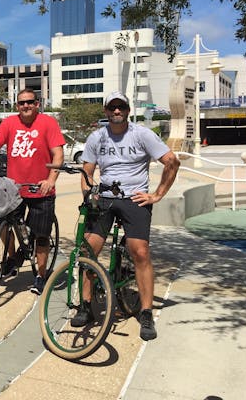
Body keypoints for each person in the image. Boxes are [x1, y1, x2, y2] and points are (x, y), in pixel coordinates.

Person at [72, 91, 180, 341]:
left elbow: (171, 162)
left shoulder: (142, 134)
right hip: (106, 198)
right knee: (88, 251)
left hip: (134, 198)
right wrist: (89, 196)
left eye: (121, 107)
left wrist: (157, 195)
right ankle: (86, 306)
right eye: (112, 107)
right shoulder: (97, 137)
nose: (117, 111)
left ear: (128, 111)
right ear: (106, 111)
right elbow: (87, 171)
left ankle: (145, 312)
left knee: (140, 252)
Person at [0, 88, 65, 295]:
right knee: (4, 225)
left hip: (41, 189)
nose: (25, 106)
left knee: (41, 237)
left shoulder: (48, 123)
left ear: (37, 104)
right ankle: (13, 257)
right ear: (17, 106)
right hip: (14, 189)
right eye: (21, 103)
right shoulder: (9, 123)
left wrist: (51, 180)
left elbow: (58, 154)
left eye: (30, 102)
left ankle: (41, 276)